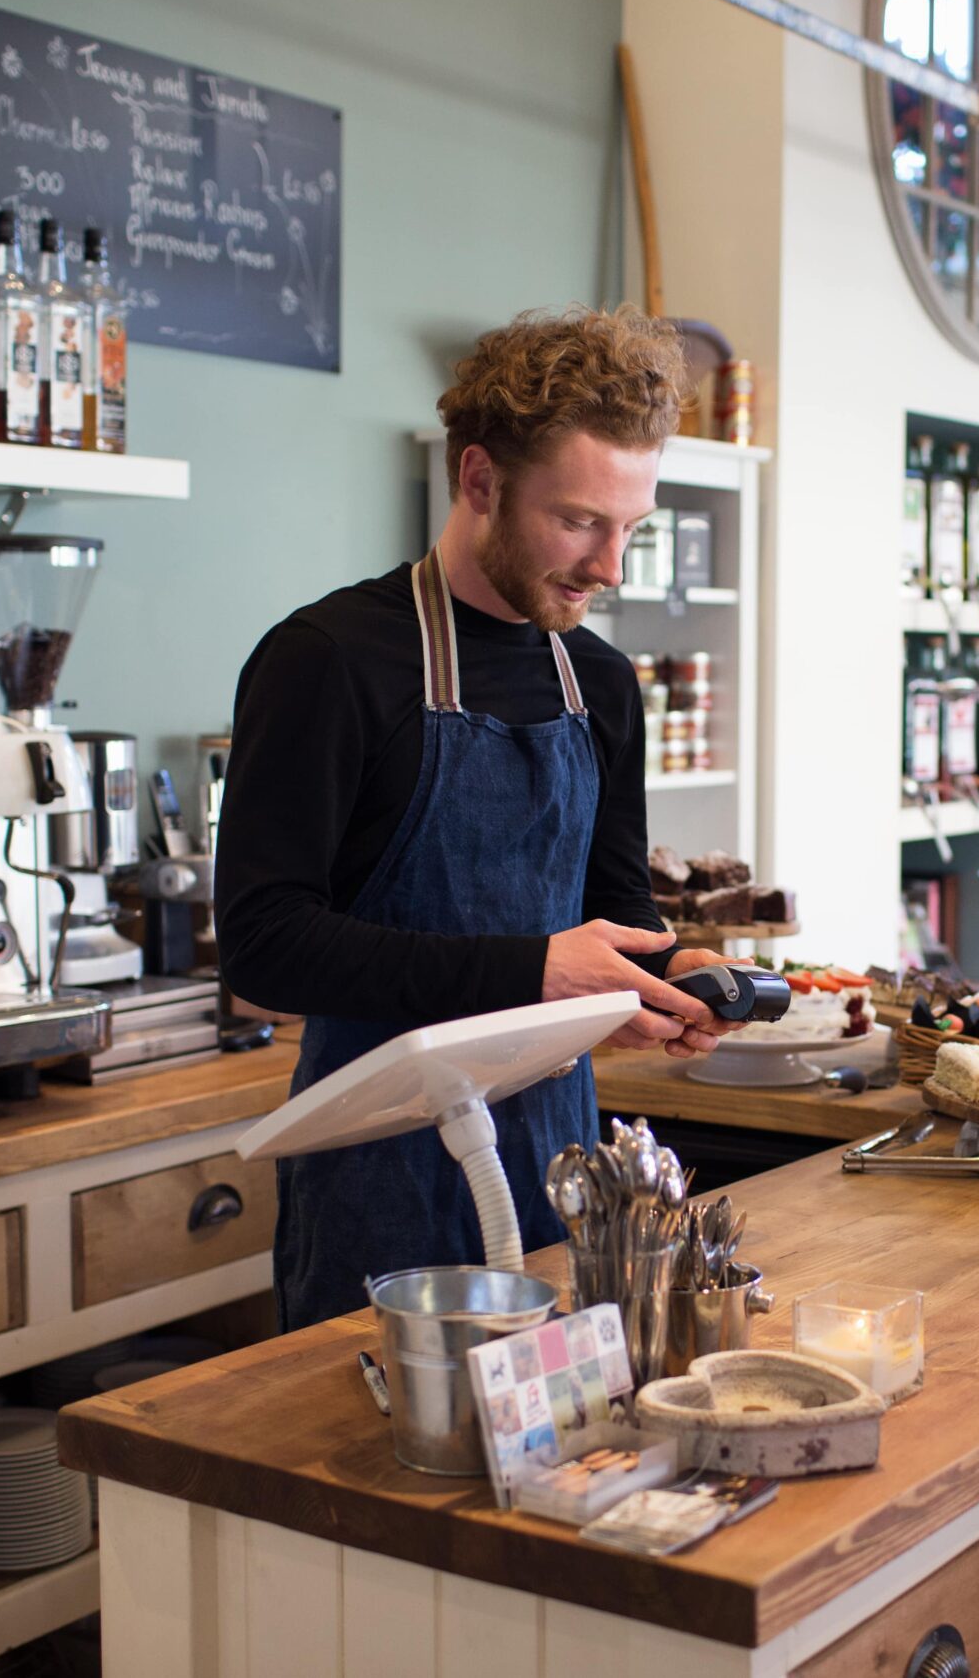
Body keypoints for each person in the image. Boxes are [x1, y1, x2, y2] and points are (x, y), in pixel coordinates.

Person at [217, 306, 741, 1332]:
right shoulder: (330, 659)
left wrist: (662, 983)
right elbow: (265, 950)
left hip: (560, 1162)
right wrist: (536, 973)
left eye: (630, 526)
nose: (608, 568)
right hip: (377, 1172)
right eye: (580, 521)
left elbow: (613, 912)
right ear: (478, 482)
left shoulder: (600, 682)